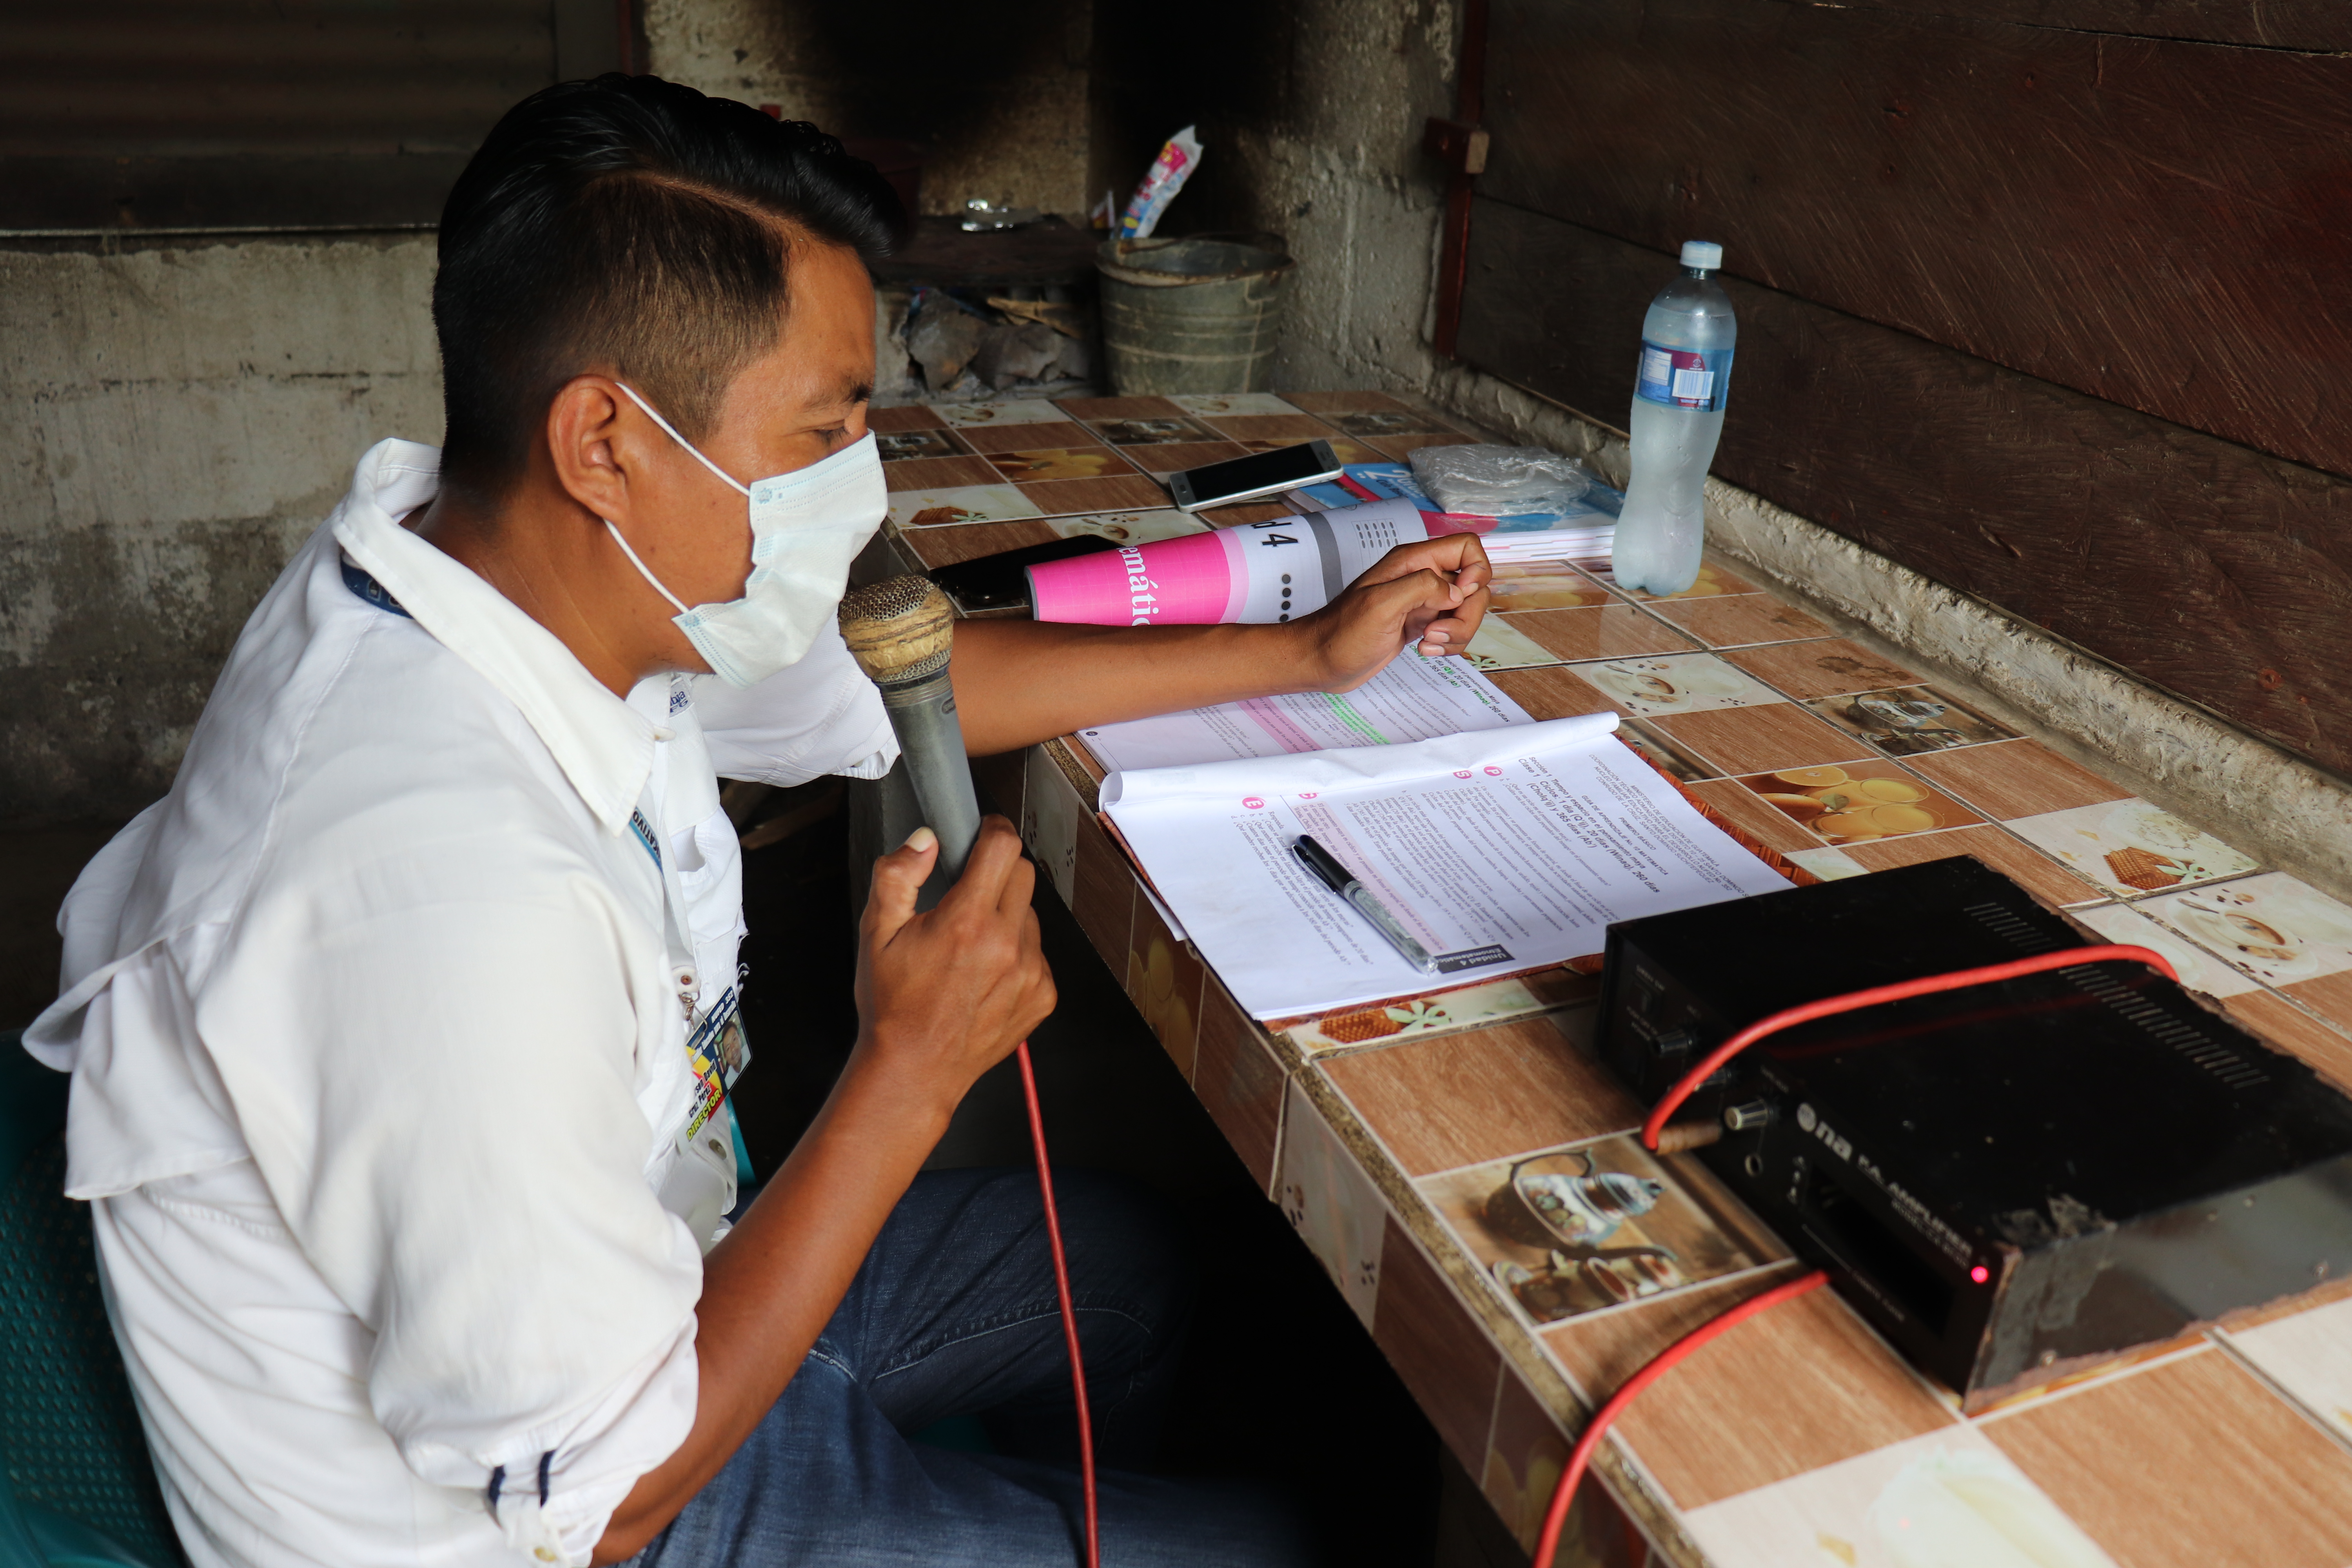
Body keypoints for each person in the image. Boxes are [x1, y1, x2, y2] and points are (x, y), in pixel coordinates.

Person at [23, 74, 1492, 1568]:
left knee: (1125, 1268)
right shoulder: (443, 904)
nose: (853, 490)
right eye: (820, 433)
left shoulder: (488, 572)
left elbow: (891, 683)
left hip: (652, 1289)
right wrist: (909, 1071)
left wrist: (1303, 654)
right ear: (605, 443)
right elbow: (601, 1502)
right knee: (1282, 1547)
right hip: (553, 1515)